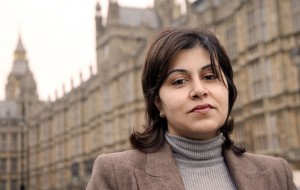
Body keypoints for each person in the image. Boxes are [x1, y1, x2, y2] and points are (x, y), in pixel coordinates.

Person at [86, 27, 297, 190]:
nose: (199, 90)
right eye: (179, 81)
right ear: (157, 101)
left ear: (229, 88)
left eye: (210, 76)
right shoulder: (116, 175)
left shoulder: (276, 174)